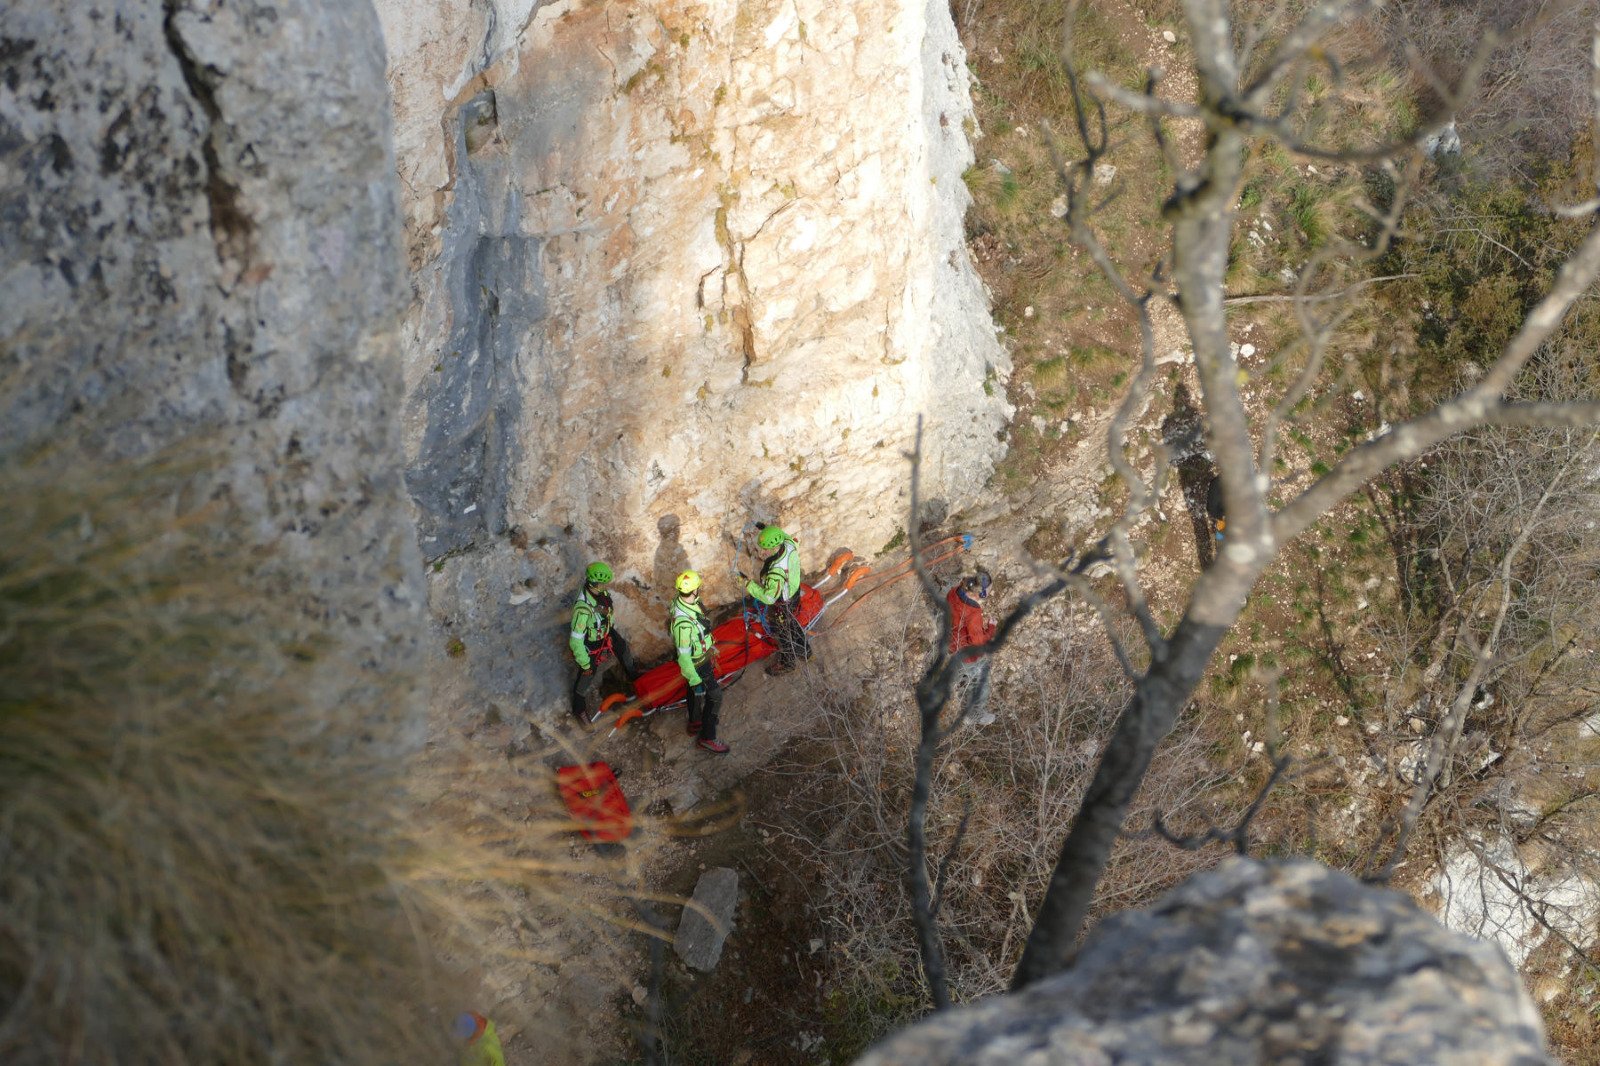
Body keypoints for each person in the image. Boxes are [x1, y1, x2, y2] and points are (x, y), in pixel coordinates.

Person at [569, 560, 638, 724]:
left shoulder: (601, 594)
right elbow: (575, 641)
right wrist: (585, 663)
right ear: (596, 583)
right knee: (586, 676)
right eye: (603, 583)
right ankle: (579, 709)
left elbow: (607, 613)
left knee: (623, 650)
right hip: (590, 644)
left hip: (606, 633)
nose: (606, 586)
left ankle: (635, 677)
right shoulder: (582, 610)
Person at [669, 570, 728, 754]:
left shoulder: (687, 603)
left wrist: (709, 646)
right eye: (698, 588)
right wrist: (695, 680)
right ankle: (707, 738)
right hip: (697, 663)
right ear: (693, 591)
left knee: (693, 690)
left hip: (702, 656)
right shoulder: (683, 623)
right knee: (715, 695)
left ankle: (695, 721)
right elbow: (684, 657)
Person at [744, 524, 810, 676]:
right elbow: (782, 535)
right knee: (793, 623)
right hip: (793, 592)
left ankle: (788, 663)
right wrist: (766, 529)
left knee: (784, 632)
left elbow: (769, 597)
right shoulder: (789, 544)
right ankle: (806, 651)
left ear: (774, 547)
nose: (763, 552)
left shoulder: (776, 571)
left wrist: (748, 584)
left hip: (783, 602)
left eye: (766, 549)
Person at [947, 570, 996, 663]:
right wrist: (991, 628)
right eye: (988, 592)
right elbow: (978, 642)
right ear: (982, 594)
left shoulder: (954, 591)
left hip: (950, 635)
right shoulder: (973, 614)